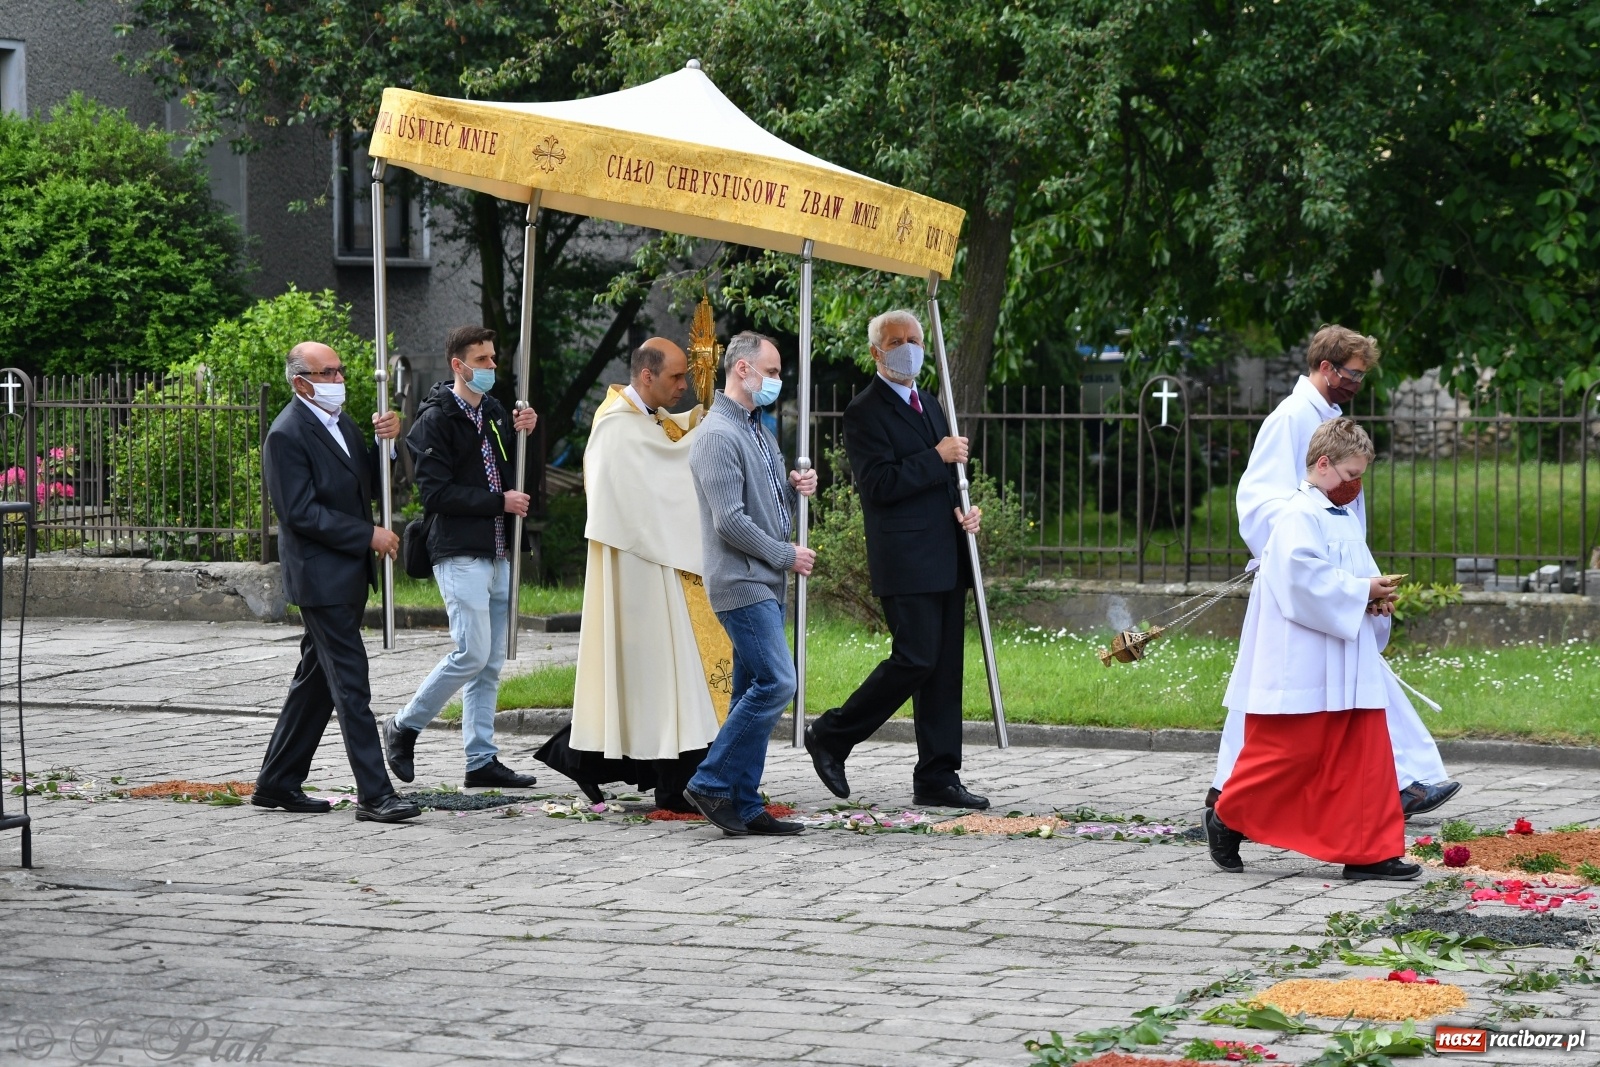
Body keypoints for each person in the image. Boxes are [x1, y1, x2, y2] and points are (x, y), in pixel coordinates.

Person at [1211, 325, 1458, 818]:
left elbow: (1337, 510)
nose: (1357, 385)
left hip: (1333, 576)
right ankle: (1228, 803)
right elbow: (1257, 503)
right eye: (1352, 375)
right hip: (1302, 582)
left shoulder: (1328, 418)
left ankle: (1398, 783)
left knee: (1343, 692)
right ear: (1326, 368)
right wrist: (1314, 561)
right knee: (1278, 705)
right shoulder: (1290, 418)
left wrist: (1357, 578)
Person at [1208, 418, 1420, 881]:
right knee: (1287, 752)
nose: (1355, 486)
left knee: (1365, 755)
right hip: (1304, 658)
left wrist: (1374, 599)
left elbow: (1354, 575)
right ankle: (1227, 816)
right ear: (1323, 464)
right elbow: (1302, 581)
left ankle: (1371, 851)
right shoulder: (1296, 515)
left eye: (1360, 477)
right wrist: (1360, 590)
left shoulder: (1339, 516)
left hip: (1347, 655)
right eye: (1349, 476)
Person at [534, 337, 732, 811]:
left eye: (687, 376)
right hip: (639, 572)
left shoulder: (646, 419)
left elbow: (670, 438)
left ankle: (582, 758)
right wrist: (714, 431)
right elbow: (665, 469)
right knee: (653, 680)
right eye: (676, 378)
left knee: (655, 683)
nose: (684, 386)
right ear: (647, 376)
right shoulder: (616, 427)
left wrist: (703, 418)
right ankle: (664, 778)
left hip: (663, 563)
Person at [803, 310, 987, 810]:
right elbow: (879, 485)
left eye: (914, 339)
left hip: (946, 552)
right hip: (905, 556)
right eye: (896, 341)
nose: (908, 347)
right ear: (876, 352)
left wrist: (964, 512)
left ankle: (938, 774)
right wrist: (938, 457)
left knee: (945, 668)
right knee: (917, 657)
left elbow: (946, 481)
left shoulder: (929, 401)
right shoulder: (865, 410)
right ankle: (832, 735)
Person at [254, 341, 420, 823]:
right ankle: (375, 794)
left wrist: (386, 446)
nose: (337, 380)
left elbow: (366, 482)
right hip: (319, 577)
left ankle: (277, 781)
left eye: (339, 371)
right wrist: (366, 533)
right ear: (300, 382)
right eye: (327, 373)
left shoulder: (342, 423)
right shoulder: (286, 434)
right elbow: (298, 512)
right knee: (350, 682)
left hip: (346, 575)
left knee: (316, 681)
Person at [380, 326, 541, 790]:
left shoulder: (492, 411)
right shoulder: (433, 420)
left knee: (489, 661)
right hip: (459, 549)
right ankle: (404, 725)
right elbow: (435, 493)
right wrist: (499, 502)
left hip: (499, 548)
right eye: (483, 360)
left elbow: (508, 471)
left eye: (493, 358)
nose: (492, 367)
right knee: (470, 651)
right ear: (459, 365)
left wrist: (523, 429)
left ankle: (481, 758)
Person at [683, 331, 816, 836]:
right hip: (742, 580)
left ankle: (744, 801)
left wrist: (793, 485)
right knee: (778, 682)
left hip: (762, 578)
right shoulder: (718, 433)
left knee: (750, 692)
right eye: (773, 371)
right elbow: (729, 522)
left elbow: (759, 496)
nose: (778, 381)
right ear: (743, 370)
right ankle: (712, 780)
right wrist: (786, 554)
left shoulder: (756, 428)